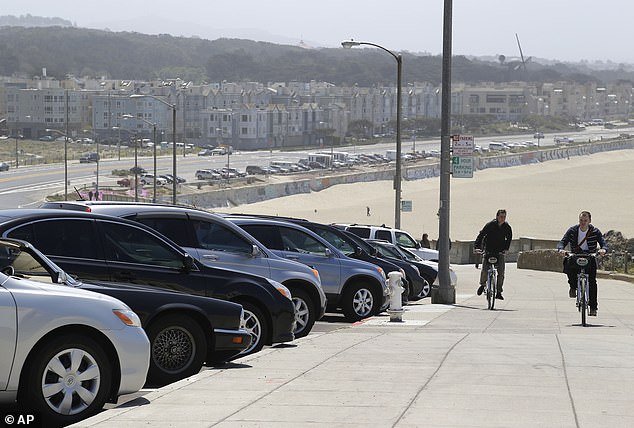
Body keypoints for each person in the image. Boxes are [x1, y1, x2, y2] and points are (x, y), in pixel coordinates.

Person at [557, 211, 607, 316]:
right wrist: (561, 249)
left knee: (592, 282)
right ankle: (573, 286)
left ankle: (593, 307)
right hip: (576, 256)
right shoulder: (572, 230)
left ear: (589, 221)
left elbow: (603, 243)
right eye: (581, 220)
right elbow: (563, 242)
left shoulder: (595, 231)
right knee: (568, 264)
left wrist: (603, 250)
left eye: (585, 220)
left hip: (590, 256)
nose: (583, 222)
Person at [474, 209, 512, 300]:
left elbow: (509, 238)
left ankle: (498, 292)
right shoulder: (490, 225)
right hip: (489, 250)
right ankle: (482, 285)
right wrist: (477, 247)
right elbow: (481, 235)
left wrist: (506, 249)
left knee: (501, 273)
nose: (502, 218)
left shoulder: (506, 227)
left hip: (500, 252)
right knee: (484, 270)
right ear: (497, 217)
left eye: (504, 217)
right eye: (501, 216)